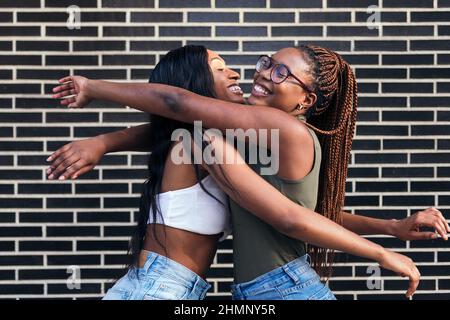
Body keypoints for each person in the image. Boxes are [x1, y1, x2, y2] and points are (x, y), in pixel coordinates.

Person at [51, 45, 449, 299]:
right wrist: (391, 227)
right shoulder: (229, 141)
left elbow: (290, 217)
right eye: (266, 64)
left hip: (278, 288)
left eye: (280, 73)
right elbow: (174, 121)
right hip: (225, 289)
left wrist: (94, 91)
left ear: (306, 99)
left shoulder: (278, 132)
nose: (255, 74)